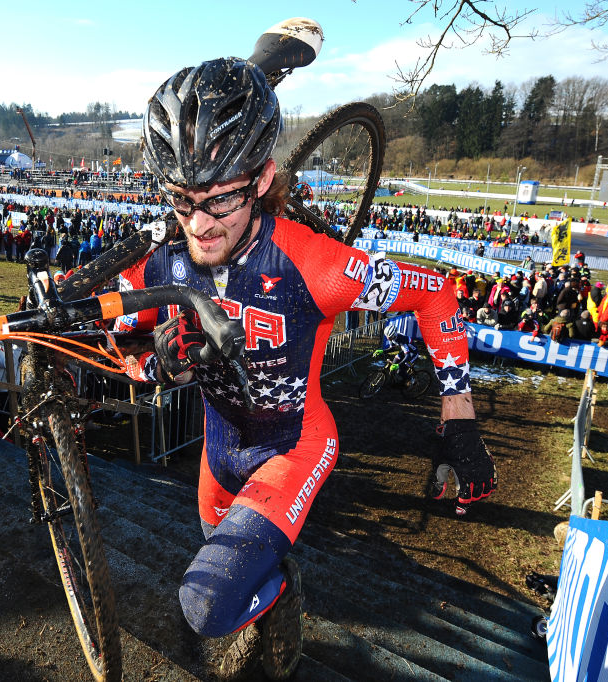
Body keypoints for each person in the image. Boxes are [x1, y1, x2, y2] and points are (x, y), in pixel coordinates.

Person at [118, 58, 496, 680]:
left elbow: (436, 294)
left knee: (206, 603)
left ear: (262, 179)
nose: (199, 225)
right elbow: (119, 338)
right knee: (227, 569)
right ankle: (271, 608)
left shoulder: (316, 264)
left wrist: (459, 416)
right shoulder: (162, 259)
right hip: (219, 448)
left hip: (295, 444)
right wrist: (152, 362)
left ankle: (284, 591)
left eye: (220, 200)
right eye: (182, 200)